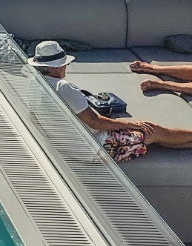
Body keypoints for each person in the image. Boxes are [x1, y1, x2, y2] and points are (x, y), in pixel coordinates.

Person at [30, 40, 192, 162]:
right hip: (93, 148)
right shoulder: (64, 87)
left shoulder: (33, 82)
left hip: (65, 144)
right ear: (58, 67)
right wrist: (132, 124)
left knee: (153, 134)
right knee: (153, 130)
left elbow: (34, 118)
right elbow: (95, 122)